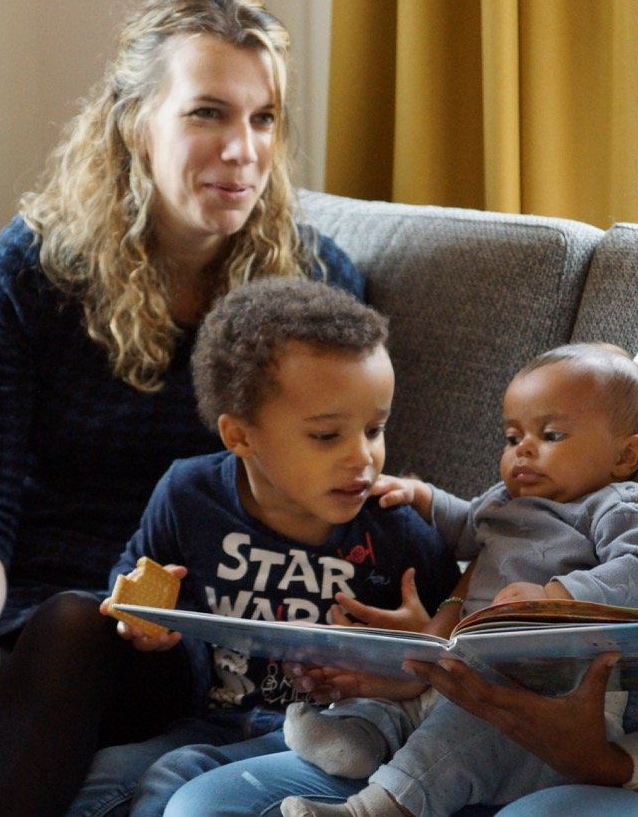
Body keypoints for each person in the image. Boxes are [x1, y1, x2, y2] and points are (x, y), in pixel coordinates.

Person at [165, 73, 638, 816]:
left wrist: (611, 759)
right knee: (206, 805)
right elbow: (544, 521)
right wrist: (442, 641)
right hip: (558, 692)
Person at [0, 0, 365, 816]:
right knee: (25, 649)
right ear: (137, 123)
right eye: (207, 113)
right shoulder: (28, 273)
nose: (243, 148)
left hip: (172, 627)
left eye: (263, 117)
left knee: (80, 626)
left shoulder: (311, 289)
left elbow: (332, 504)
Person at [67, 276, 459, 816]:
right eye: (326, 436)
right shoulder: (189, 496)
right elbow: (134, 576)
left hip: (338, 736)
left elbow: (466, 647)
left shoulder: (397, 530)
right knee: (98, 779)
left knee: (173, 778)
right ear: (240, 436)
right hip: (216, 721)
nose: (363, 458)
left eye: (374, 429)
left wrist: (427, 640)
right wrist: (142, 622)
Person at [276, 342, 638, 817]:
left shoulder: (619, 503)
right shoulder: (505, 499)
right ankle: (355, 740)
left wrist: (557, 597)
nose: (523, 449)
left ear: (625, 455)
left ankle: (373, 809)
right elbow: (465, 528)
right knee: (398, 691)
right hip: (460, 664)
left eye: (551, 435)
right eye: (512, 437)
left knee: (457, 736)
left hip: (543, 697)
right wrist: (421, 495)